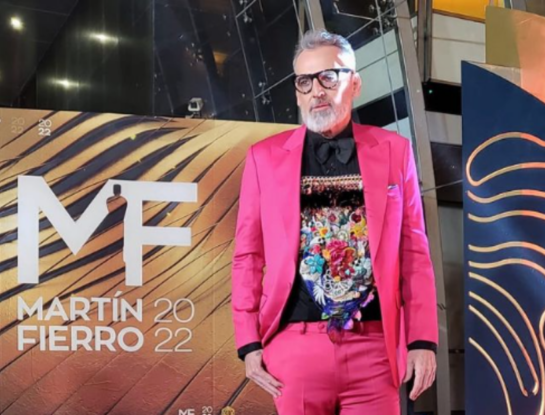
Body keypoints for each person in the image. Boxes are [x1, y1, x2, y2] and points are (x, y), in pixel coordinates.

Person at [231, 29, 438, 415]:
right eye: (305, 82)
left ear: (354, 83)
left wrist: (422, 340)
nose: (317, 91)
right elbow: (248, 255)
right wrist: (248, 342)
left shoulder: (394, 151)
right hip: (294, 347)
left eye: (328, 77)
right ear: (297, 92)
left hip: (375, 348)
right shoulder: (264, 158)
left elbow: (414, 251)